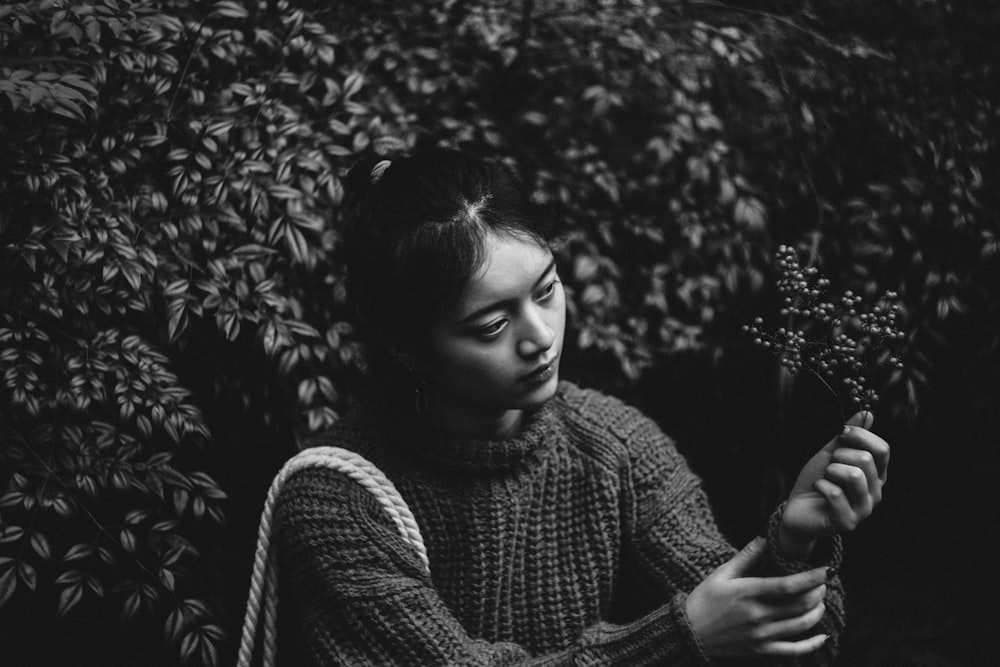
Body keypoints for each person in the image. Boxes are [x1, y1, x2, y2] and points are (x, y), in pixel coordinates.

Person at [274, 149, 890, 665]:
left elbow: (800, 645)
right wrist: (680, 638)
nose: (540, 334)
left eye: (547, 290)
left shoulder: (613, 444)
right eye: (492, 324)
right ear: (406, 347)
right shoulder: (338, 499)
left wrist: (794, 542)